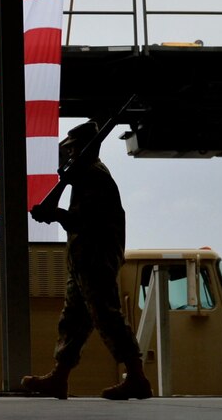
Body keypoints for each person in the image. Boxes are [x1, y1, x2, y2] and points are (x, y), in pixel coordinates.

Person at [23, 120, 152, 400]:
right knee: (73, 320)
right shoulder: (85, 175)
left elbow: (85, 221)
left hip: (95, 259)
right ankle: (59, 377)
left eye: (72, 150)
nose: (69, 155)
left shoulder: (94, 176)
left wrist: (54, 214)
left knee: (106, 316)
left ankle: (137, 377)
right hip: (84, 260)